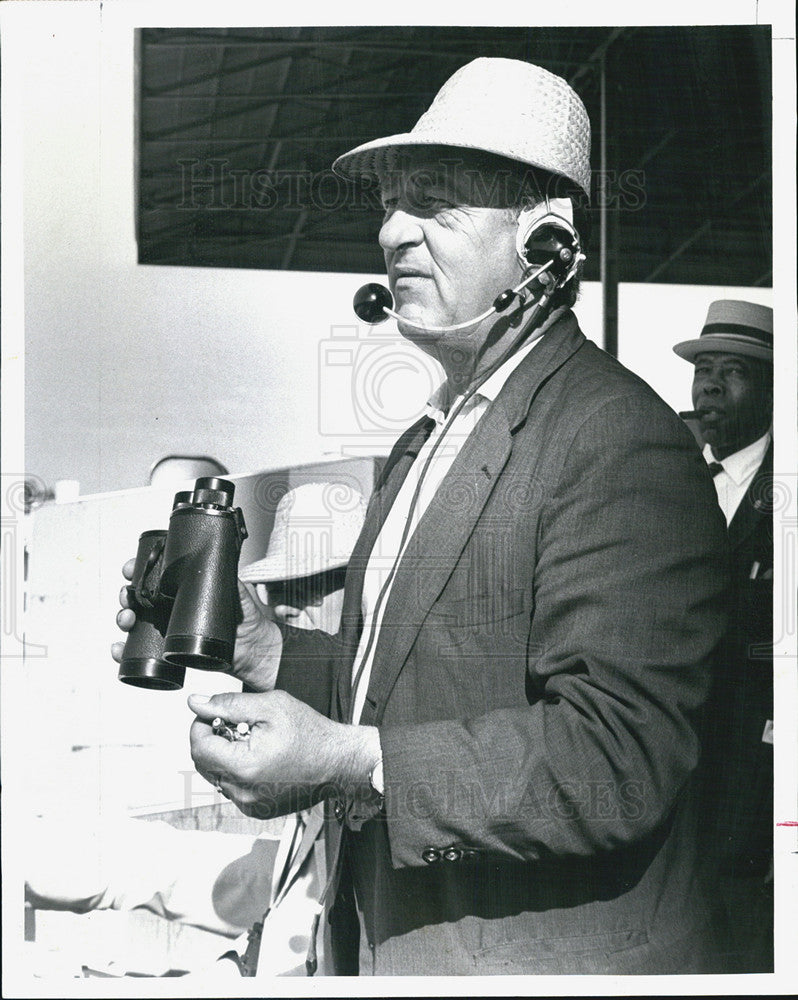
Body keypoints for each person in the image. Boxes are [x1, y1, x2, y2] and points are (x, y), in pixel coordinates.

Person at [123, 58, 730, 976]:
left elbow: (616, 758)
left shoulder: (619, 441)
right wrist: (265, 649)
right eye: (393, 203)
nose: (393, 231)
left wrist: (347, 761)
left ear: (546, 245)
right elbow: (410, 680)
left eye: (437, 204)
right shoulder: (423, 442)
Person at [33, 483, 364, 978]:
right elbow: (190, 876)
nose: (286, 608)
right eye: (276, 591)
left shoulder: (385, 742)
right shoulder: (316, 776)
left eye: (314, 584)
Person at [673, 299, 774, 972]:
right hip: (679, 776)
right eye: (702, 369)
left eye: (731, 371)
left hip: (757, 781)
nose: (708, 385)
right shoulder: (674, 483)